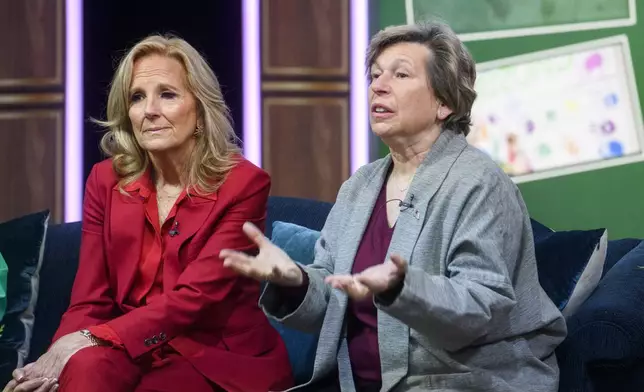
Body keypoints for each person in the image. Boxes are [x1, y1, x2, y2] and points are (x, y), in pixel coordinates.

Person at [220, 22, 567, 392]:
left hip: (463, 382)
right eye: (374, 75)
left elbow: (480, 307)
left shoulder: (478, 182)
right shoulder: (360, 185)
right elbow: (332, 300)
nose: (378, 86)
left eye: (400, 74)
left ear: (444, 102)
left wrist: (403, 289)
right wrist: (297, 280)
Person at [3, 35, 293, 392]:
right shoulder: (105, 181)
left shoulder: (243, 184)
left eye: (167, 94)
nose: (149, 110)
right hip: (128, 346)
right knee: (83, 370)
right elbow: (90, 298)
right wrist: (55, 361)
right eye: (137, 97)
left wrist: (93, 339)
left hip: (213, 355)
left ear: (200, 111)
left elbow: (194, 300)